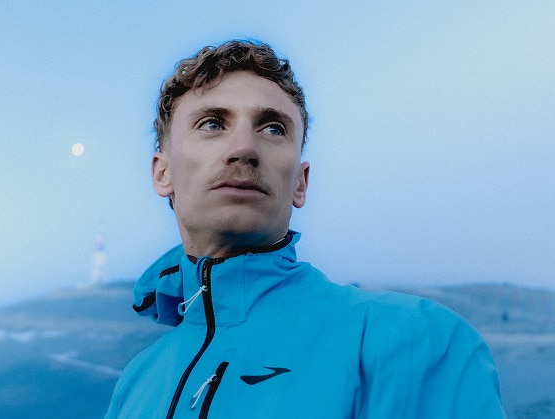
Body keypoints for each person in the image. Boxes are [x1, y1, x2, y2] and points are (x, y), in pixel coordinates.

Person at [106, 39, 504, 418]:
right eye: (212, 124)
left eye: (273, 128)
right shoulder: (136, 384)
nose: (244, 148)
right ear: (162, 173)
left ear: (300, 182)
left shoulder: (414, 342)